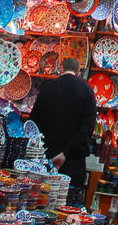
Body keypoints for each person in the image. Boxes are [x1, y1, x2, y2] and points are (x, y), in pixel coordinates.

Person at [30, 56, 98, 205]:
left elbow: (33, 122)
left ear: (61, 69)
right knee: (66, 205)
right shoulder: (87, 90)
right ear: (78, 71)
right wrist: (65, 153)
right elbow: (87, 129)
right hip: (71, 161)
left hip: (45, 156)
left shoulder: (47, 88)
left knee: (41, 202)